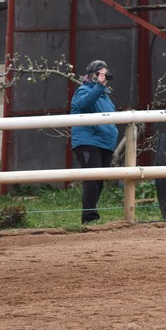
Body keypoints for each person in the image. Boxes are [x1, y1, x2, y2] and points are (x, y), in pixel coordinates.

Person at [70, 60, 119, 224]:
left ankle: (91, 215)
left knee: (98, 181)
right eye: (99, 74)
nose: (103, 78)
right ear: (92, 76)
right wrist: (99, 86)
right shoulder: (83, 90)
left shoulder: (105, 96)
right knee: (92, 180)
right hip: (88, 142)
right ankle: (89, 217)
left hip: (105, 143)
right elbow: (84, 104)